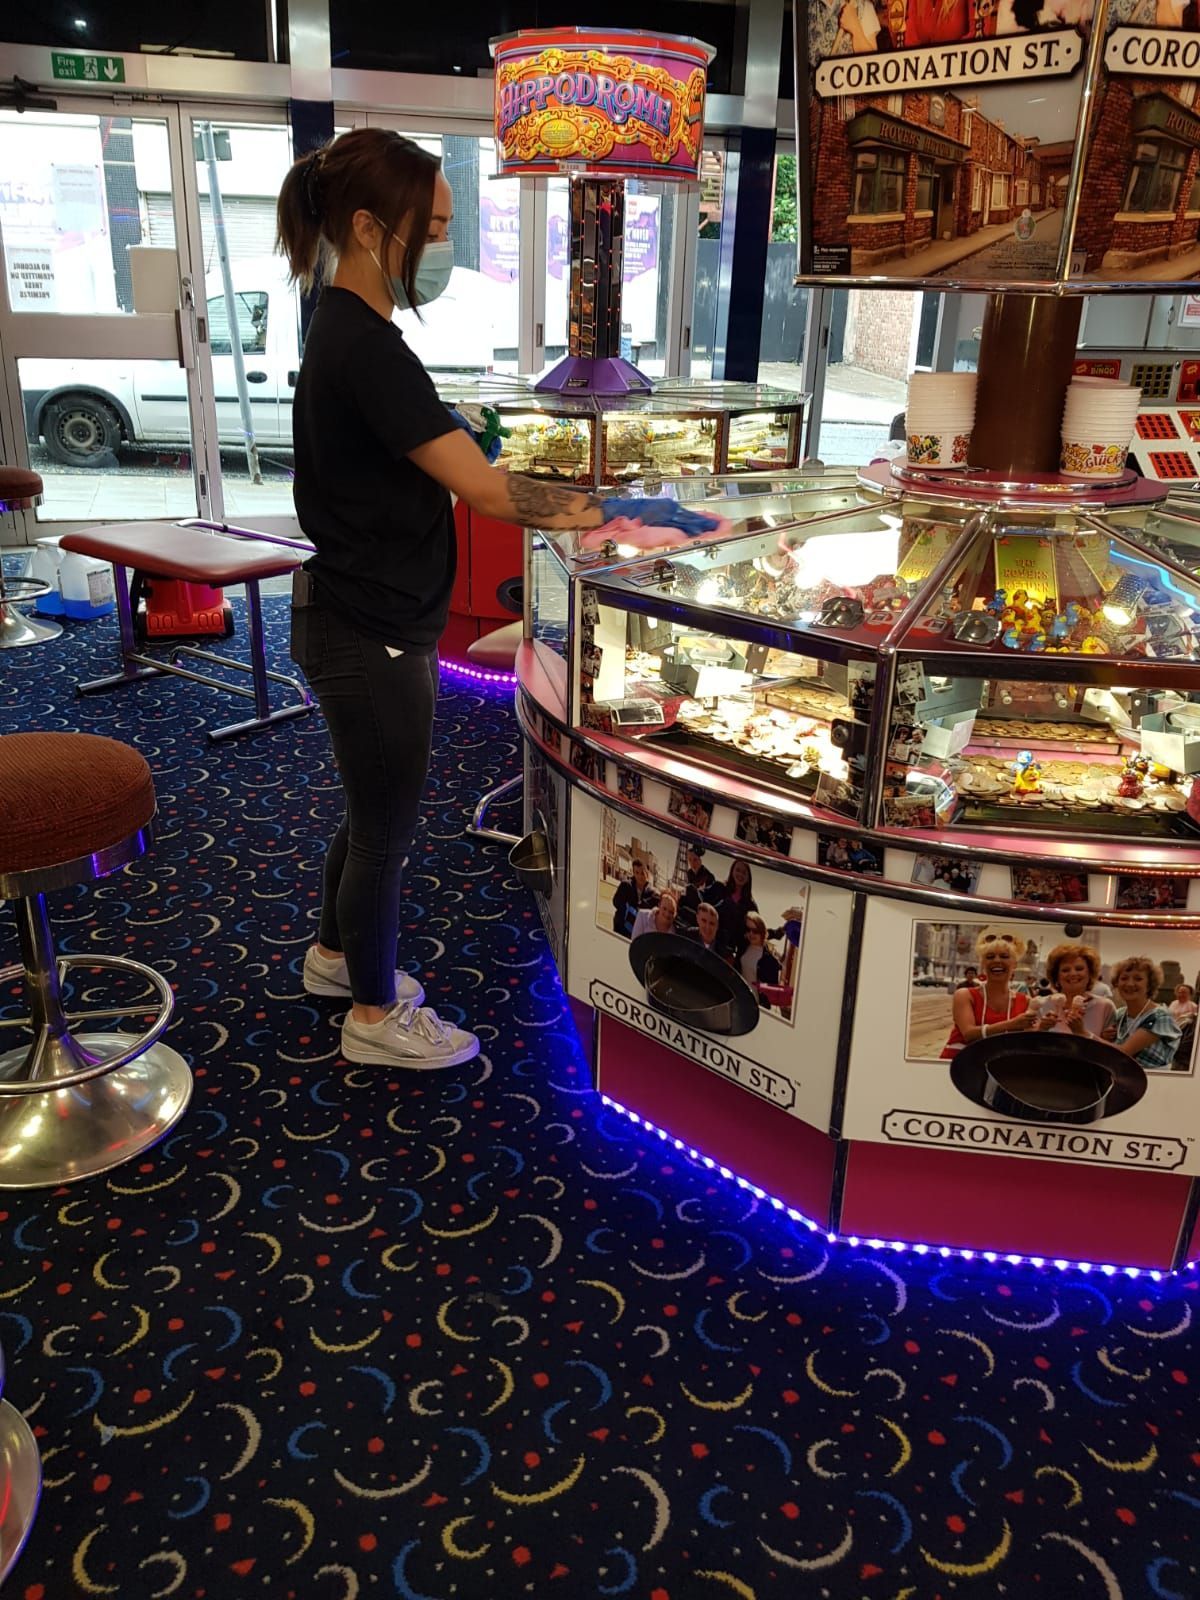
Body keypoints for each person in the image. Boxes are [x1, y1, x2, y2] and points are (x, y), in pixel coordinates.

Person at [277, 130, 716, 1069]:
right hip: (369, 628)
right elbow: (483, 490)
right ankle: (371, 1016)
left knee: (368, 813)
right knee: (387, 830)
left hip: (350, 611)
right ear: (367, 224)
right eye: (431, 229)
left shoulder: (341, 324)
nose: (440, 247)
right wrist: (618, 510)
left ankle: (332, 959)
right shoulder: (369, 347)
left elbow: (427, 460)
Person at [940, 929, 1034, 1058]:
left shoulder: (1026, 1001)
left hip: (997, 1068)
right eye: (990, 957)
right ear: (983, 963)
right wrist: (1012, 1024)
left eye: (1004, 956)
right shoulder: (964, 995)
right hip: (957, 1065)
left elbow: (1026, 1042)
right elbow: (968, 1034)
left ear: (1015, 964)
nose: (996, 960)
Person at [1110, 956, 1183, 1070]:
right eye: (1124, 978)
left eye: (1138, 979)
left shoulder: (1160, 1016)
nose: (1129, 984)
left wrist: (1085, 1033)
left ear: (1149, 985)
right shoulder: (1119, 1014)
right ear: (1116, 983)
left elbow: (1123, 1052)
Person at [1033, 942, 1116, 1038]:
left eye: (1079, 969)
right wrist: (1041, 1029)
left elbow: (1109, 1048)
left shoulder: (1105, 1007)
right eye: (1065, 970)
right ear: (1056, 976)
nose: (1073, 974)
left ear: (1090, 973)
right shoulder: (1041, 1005)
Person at [737, 913, 783, 1008]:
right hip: (740, 1001)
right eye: (748, 930)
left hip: (757, 1006)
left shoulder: (769, 960)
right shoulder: (743, 947)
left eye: (755, 931)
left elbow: (772, 992)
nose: (751, 934)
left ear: (762, 932)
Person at [715, 859, 757, 951]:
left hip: (734, 950)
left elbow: (756, 929)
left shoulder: (750, 905)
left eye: (744, 872)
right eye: (738, 870)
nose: (740, 875)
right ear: (732, 871)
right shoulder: (719, 889)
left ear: (748, 878)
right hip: (714, 942)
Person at [613, 858, 658, 937]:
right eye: (637, 873)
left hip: (639, 933)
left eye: (642, 873)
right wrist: (628, 910)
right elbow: (615, 902)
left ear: (647, 874)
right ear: (633, 873)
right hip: (621, 929)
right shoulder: (625, 885)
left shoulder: (652, 893)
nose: (640, 876)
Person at [677, 842, 716, 932]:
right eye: (690, 860)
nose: (692, 863)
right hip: (689, 908)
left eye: (695, 860)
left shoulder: (708, 876)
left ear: (700, 860)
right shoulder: (689, 874)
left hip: (701, 910)